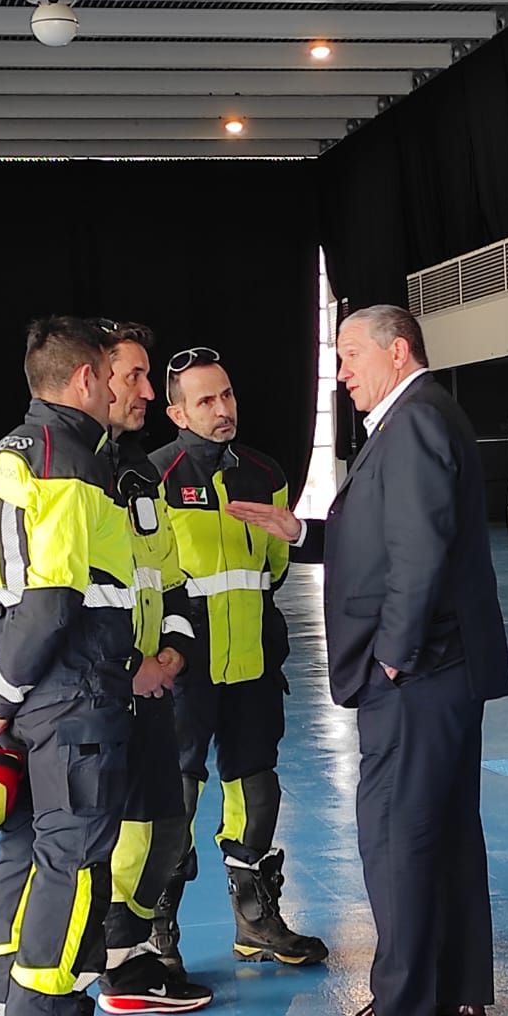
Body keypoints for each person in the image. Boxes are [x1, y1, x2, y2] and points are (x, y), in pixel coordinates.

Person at [226, 305, 508, 1016]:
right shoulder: (417, 418)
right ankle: (457, 991)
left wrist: (394, 652)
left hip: (418, 672)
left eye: (351, 356)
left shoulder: (413, 421)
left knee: (396, 833)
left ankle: (401, 1007)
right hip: (443, 668)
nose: (342, 372)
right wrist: (303, 533)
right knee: (444, 829)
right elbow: (386, 535)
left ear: (398, 349)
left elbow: (418, 551)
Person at [0, 315, 148, 1016]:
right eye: (110, 376)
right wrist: (2, 692)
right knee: (71, 874)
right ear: (80, 381)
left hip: (26, 700)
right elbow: (53, 601)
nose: (116, 389)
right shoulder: (71, 466)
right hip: (72, 698)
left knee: (22, 861)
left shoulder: (2, 459)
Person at [148, 347, 328, 968]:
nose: (222, 410)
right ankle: (155, 929)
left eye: (227, 395)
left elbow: (273, 568)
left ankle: (254, 917)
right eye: (205, 400)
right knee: (176, 794)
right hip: (184, 669)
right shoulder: (154, 477)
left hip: (252, 660)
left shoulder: (265, 470)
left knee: (256, 785)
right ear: (176, 411)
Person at [82, 320, 213, 1015]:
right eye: (133, 375)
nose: (144, 388)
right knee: (108, 838)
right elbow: (69, 595)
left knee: (167, 828)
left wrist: (173, 651)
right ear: (92, 377)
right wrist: (131, 665)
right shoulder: (68, 473)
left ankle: (130, 955)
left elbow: (171, 578)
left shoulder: (138, 474)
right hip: (100, 691)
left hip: (153, 686)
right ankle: (97, 967)